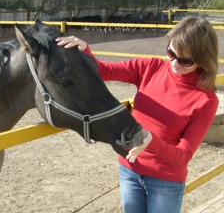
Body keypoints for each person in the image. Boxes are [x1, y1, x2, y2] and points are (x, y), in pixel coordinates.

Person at [55, 16, 219, 213]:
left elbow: (183, 156)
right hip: (130, 170)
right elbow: (103, 71)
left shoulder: (206, 100)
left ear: (203, 60)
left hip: (165, 183)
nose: (174, 64)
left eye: (185, 60)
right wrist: (84, 51)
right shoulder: (151, 68)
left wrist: (151, 141)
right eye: (171, 52)